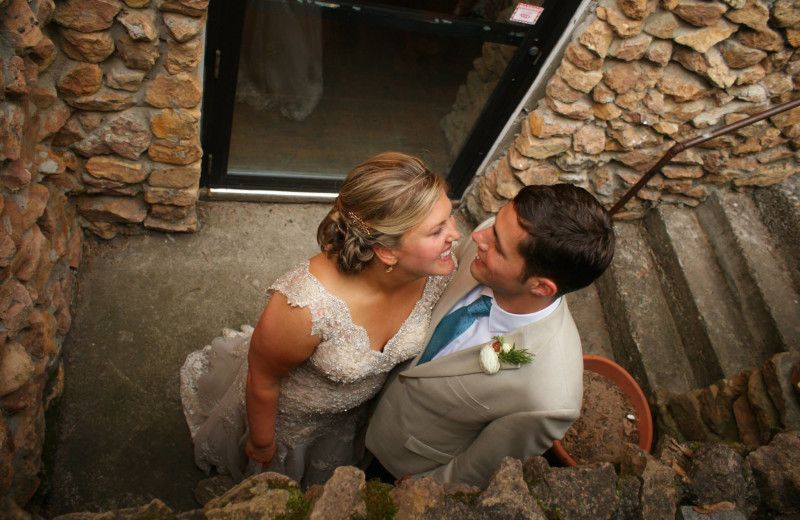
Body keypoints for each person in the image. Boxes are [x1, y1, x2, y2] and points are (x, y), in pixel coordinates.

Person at [180, 152, 460, 487]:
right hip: (291, 417)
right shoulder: (304, 307)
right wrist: (262, 441)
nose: (455, 236)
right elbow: (263, 380)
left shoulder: (439, 272)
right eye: (437, 231)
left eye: (451, 219)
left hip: (349, 418)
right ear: (387, 251)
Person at [364, 183, 616, 488]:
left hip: (397, 460)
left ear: (540, 287)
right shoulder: (490, 240)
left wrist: (424, 487)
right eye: (495, 224)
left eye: (498, 245)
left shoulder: (548, 398)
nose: (477, 236)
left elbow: (481, 467)